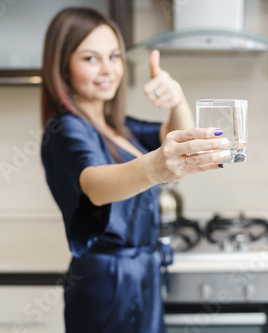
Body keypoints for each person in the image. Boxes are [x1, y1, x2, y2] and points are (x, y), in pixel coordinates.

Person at [39, 7, 230, 333]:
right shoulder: (66, 129)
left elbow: (175, 135)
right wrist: (155, 168)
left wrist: (178, 100)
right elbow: (96, 185)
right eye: (90, 58)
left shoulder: (118, 127)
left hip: (142, 274)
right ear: (62, 67)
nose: (107, 69)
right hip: (107, 284)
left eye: (114, 56)